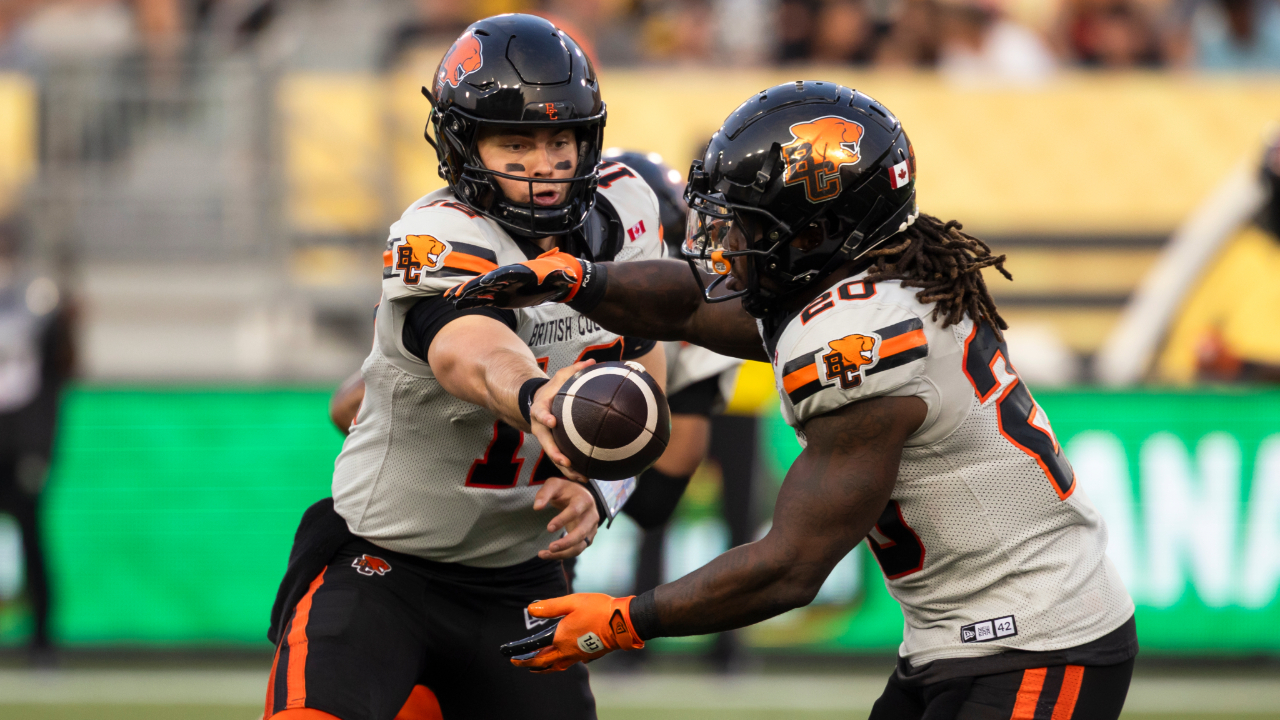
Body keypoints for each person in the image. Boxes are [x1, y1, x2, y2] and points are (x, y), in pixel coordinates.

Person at [451, 81, 1138, 719]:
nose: (726, 242)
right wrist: (578, 279)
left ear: (814, 232)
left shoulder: (864, 340)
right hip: (959, 635)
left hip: (1037, 639)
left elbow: (792, 566)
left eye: (745, 224)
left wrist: (623, 620)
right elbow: (691, 306)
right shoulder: (874, 274)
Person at [263, 14, 664, 720]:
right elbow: (468, 350)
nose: (545, 164)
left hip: (519, 583)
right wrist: (536, 397)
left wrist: (603, 484)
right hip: (382, 569)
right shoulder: (439, 231)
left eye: (560, 141)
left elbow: (642, 363)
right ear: (463, 144)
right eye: (516, 143)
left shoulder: (627, 209)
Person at [0, 218, 74, 662]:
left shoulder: (35, 299)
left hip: (21, 435)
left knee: (31, 535)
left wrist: (39, 446)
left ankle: (42, 640)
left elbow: (55, 375)